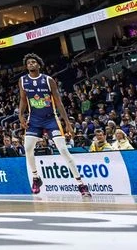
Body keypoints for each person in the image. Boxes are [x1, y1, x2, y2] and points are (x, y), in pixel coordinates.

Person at [18, 54, 90, 198]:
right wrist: (20, 115)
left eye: (33, 62)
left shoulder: (48, 80)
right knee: (27, 148)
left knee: (63, 150)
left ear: (39, 64)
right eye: (28, 63)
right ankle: (36, 178)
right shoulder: (23, 80)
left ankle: (81, 184)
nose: (31, 64)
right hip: (34, 119)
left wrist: (68, 124)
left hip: (51, 119)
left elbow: (58, 102)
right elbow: (23, 99)